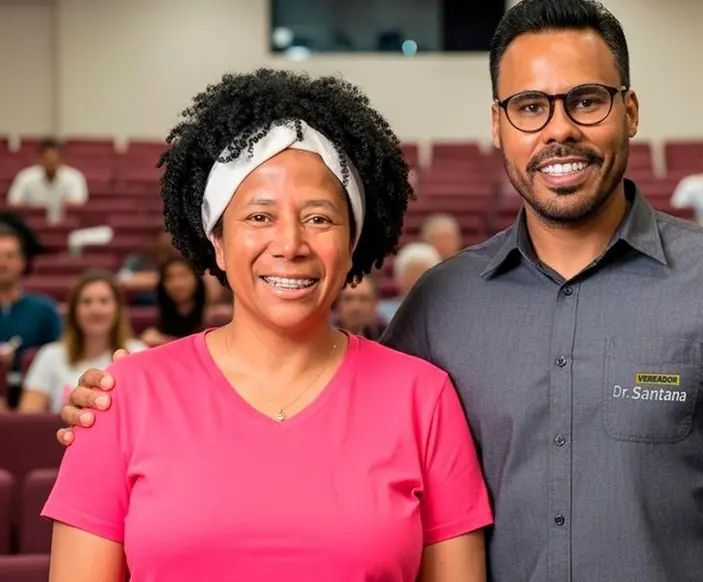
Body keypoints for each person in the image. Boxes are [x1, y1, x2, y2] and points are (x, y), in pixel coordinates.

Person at [60, 1, 703, 581]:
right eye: (530, 106)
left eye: (587, 100)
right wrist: (122, 397)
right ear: (499, 126)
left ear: (629, 111)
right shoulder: (442, 304)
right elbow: (319, 416)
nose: (557, 128)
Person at [43, 69, 491, 581]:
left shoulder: (424, 399)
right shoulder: (118, 399)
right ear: (217, 240)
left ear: (352, 244)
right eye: (259, 217)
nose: (290, 244)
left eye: (319, 218)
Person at [18, 269, 147, 414]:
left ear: (117, 309)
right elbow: (27, 417)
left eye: (104, 301)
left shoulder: (138, 352)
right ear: (74, 311)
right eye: (86, 302)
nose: (95, 310)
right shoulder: (50, 355)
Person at [0, 223, 62, 409]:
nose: (2, 263)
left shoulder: (44, 310)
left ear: (22, 261)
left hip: (38, 399)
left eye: (10, 256)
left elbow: (61, 358)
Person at [7, 139, 88, 217]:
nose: (50, 162)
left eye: (54, 159)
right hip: (30, 225)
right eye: (47, 159)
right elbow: (13, 203)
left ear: (61, 159)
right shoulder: (25, 176)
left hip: (64, 224)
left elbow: (78, 204)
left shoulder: (74, 177)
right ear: (39, 159)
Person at [139, 257, 207, 346]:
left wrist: (166, 340)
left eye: (183, 276)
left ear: (196, 278)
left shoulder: (212, 317)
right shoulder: (156, 320)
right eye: (170, 278)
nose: (177, 283)